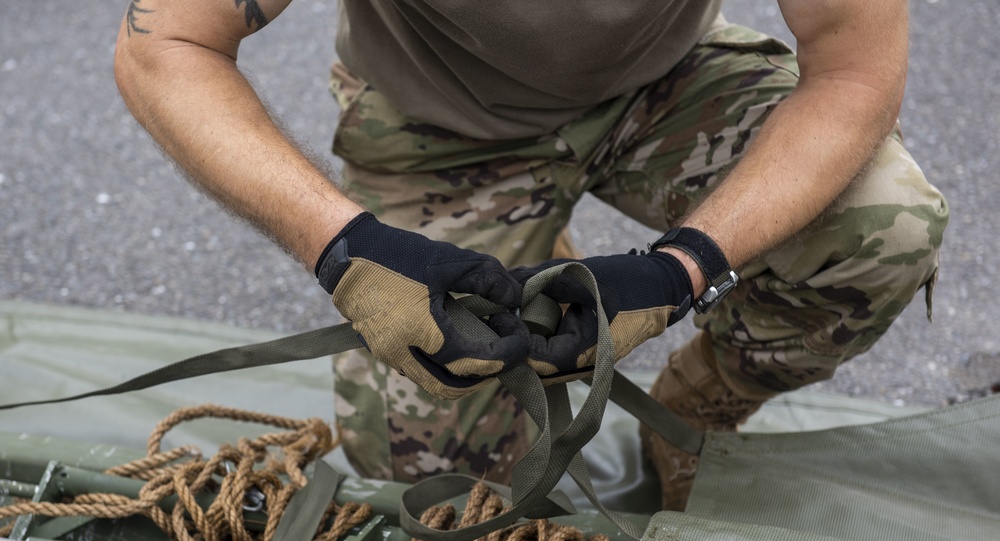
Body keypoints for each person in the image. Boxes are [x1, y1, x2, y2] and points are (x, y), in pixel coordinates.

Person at [114, 0, 947, 511]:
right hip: (440, 116)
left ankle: (702, 406)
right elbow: (167, 45)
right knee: (427, 479)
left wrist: (682, 268)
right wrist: (348, 249)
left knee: (885, 227)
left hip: (662, 82)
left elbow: (853, 74)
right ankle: (530, 247)